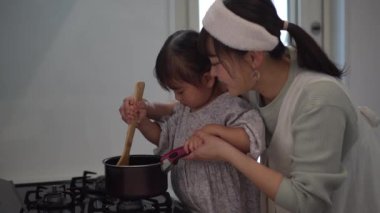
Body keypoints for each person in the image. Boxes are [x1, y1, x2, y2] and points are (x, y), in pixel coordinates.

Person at [179, 0, 380, 213]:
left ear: (254, 58)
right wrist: (154, 110)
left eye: (216, 63)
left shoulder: (319, 99)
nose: (213, 73)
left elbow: (308, 201)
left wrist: (227, 153)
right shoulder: (253, 83)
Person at [120, 29, 266, 213]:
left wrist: (214, 132)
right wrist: (142, 122)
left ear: (207, 79)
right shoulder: (184, 110)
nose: (177, 98)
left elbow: (251, 138)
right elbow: (163, 137)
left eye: (180, 91)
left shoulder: (230, 105)